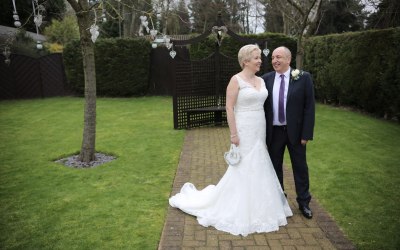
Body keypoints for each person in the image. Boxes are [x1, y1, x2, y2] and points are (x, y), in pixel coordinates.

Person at [169, 44, 292, 237]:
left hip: (260, 128)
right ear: (245, 61)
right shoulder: (236, 80)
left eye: (260, 57)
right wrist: (233, 133)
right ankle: (240, 208)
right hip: (243, 129)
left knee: (259, 164)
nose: (260, 60)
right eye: (256, 58)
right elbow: (229, 107)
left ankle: (261, 205)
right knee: (243, 166)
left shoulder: (261, 80)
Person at [262, 46, 315, 219]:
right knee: (275, 167)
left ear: (288, 60)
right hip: (274, 132)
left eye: (279, 57)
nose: (275, 60)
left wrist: (306, 134)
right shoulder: (266, 79)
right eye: (273, 58)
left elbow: (309, 108)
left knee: (300, 167)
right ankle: (279, 200)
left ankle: (304, 202)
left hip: (296, 133)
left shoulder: (303, 78)